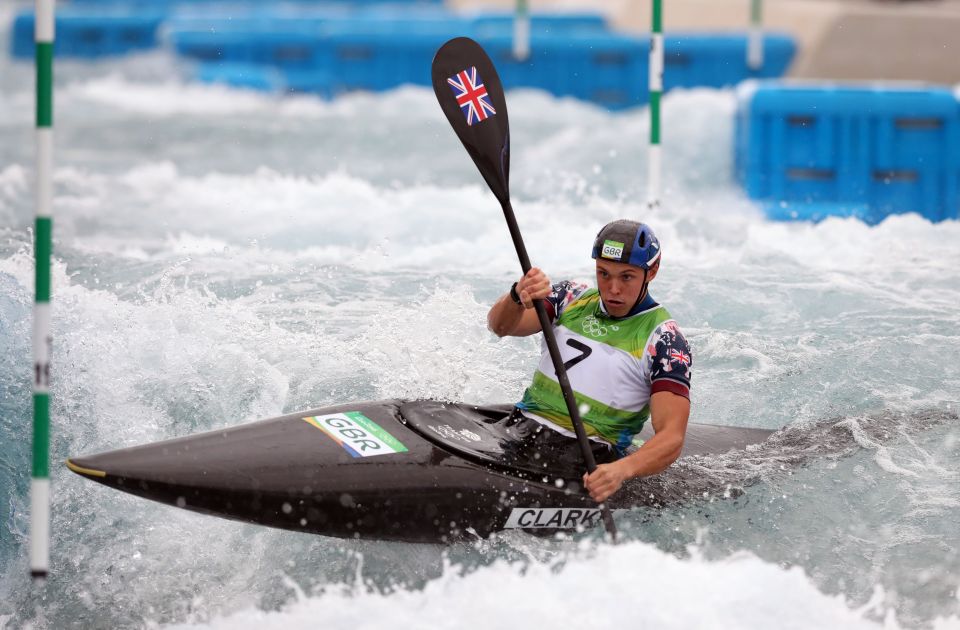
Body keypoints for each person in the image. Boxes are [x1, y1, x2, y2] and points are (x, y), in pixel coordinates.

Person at [487, 219, 692, 504]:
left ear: (652, 271)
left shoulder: (665, 341)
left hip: (584, 457)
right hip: (520, 429)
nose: (613, 288)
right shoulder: (571, 296)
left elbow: (671, 438)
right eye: (603, 274)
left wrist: (621, 471)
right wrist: (515, 295)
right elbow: (500, 327)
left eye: (627, 277)